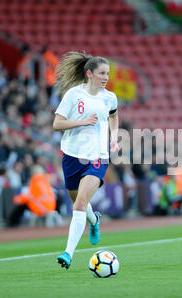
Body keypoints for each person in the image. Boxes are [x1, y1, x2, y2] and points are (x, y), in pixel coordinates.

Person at [52, 51, 119, 269]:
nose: (106, 77)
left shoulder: (109, 97)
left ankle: (68, 253)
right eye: (102, 73)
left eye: (107, 73)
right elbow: (57, 124)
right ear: (89, 74)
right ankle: (94, 221)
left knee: (79, 204)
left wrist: (114, 137)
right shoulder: (73, 95)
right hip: (71, 155)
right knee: (79, 202)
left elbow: (114, 115)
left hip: (97, 157)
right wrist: (81, 122)